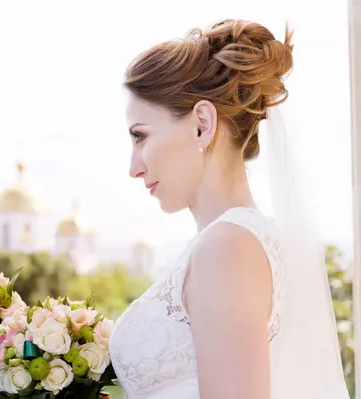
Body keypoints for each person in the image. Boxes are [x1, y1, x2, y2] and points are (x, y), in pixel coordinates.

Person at [109, 19, 349, 398]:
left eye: (141, 136)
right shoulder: (243, 241)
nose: (134, 167)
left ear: (202, 124)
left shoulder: (226, 248)